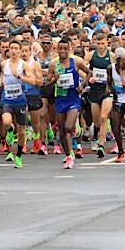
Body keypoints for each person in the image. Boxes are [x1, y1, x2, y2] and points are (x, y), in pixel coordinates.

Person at [48, 40, 91, 169]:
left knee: (67, 127)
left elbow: (89, 73)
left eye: (65, 49)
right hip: (60, 99)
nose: (62, 51)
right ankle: (68, 156)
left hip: (73, 98)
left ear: (69, 49)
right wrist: (53, 80)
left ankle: (74, 128)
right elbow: (47, 83)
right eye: (60, 49)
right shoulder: (53, 64)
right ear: (57, 50)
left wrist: (82, 85)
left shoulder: (76, 62)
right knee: (61, 131)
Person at [0, 40, 36, 169]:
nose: (13, 50)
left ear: (19, 50)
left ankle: (18, 156)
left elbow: (33, 81)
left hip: (20, 100)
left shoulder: (24, 65)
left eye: (16, 48)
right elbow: (2, 75)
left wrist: (20, 77)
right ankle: (10, 129)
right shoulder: (3, 64)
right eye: (11, 48)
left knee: (22, 132)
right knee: (6, 121)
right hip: (7, 98)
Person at [85, 32, 113, 158]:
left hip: (107, 90)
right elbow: (81, 68)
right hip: (94, 90)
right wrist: (88, 78)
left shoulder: (111, 56)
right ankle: (95, 134)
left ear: (107, 43)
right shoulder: (91, 55)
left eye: (103, 44)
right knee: (97, 122)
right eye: (99, 43)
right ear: (95, 43)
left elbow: (119, 70)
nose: (101, 46)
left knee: (103, 117)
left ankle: (101, 144)